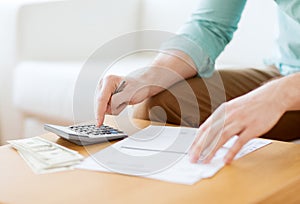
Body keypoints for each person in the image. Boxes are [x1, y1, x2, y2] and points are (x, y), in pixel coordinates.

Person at [95, 0, 300, 164]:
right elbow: (210, 25)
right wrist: (149, 77)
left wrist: (281, 94)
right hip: (286, 69)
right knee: (160, 103)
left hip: (289, 87)